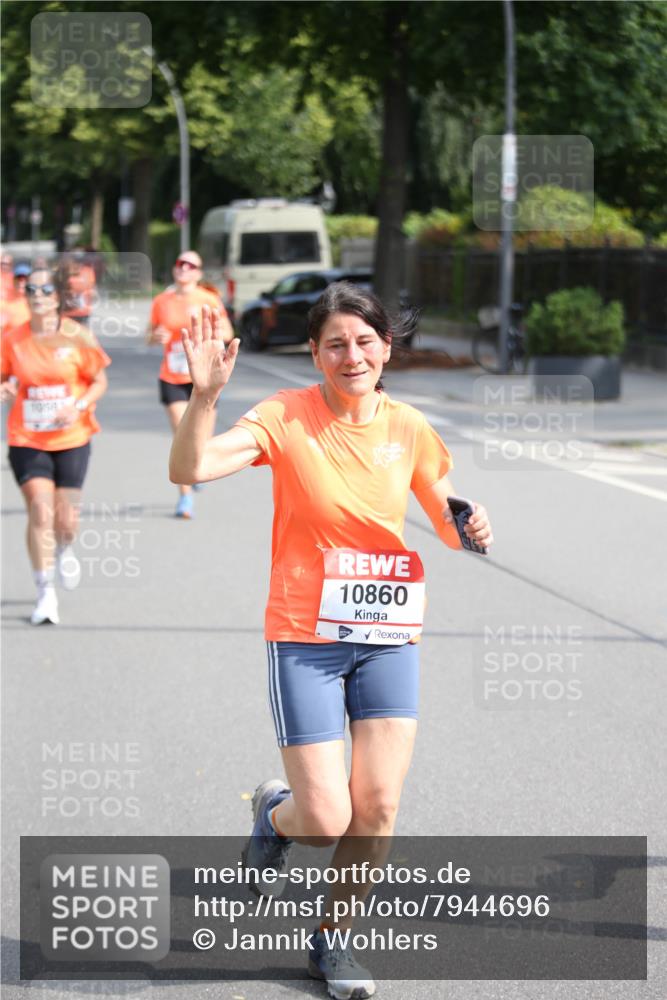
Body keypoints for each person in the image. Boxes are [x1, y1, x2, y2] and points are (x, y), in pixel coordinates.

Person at [169, 284, 493, 999]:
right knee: (324, 818)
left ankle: (333, 942)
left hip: (387, 637)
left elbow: (443, 514)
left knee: (376, 804)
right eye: (336, 344)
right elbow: (189, 469)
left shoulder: (407, 426)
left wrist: (469, 525)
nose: (353, 355)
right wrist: (202, 397)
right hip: (303, 637)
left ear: (386, 349)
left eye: (365, 341)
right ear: (314, 354)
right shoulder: (285, 417)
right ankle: (274, 813)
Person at [0, 268, 110, 625]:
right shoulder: (11, 339)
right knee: (40, 510)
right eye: (29, 288)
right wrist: (5, 389)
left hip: (72, 437)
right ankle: (44, 591)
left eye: (45, 288)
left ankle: (64, 547)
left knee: (66, 520)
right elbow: (3, 377)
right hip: (27, 437)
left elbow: (99, 381)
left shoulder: (78, 336)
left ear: (58, 297)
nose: (37, 294)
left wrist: (76, 406)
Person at [148, 249, 233, 519]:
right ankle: (185, 498)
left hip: (205, 379)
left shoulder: (208, 299)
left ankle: (195, 466)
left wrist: (213, 337)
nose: (184, 268)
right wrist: (156, 336)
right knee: (182, 432)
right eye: (179, 263)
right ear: (175, 269)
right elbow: (150, 334)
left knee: (202, 437)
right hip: (173, 376)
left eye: (190, 265)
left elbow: (229, 332)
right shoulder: (162, 300)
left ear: (198, 272)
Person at [55, 250, 97, 326]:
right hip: (66, 314)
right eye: (75, 260)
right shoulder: (62, 272)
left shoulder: (88, 271)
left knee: (82, 335)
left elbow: (92, 289)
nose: (78, 263)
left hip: (83, 313)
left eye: (80, 261)